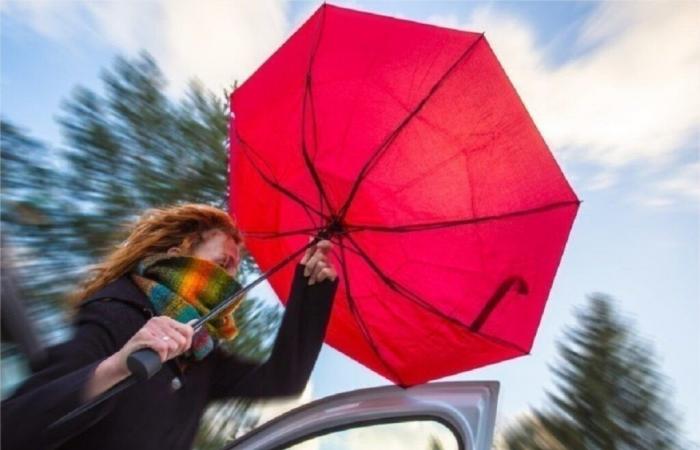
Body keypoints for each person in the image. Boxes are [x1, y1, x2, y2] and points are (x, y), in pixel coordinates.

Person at [1, 203, 339, 450]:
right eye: (222, 262)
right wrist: (117, 367)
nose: (230, 279)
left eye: (235, 270)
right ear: (180, 253)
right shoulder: (116, 313)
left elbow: (282, 380)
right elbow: (14, 427)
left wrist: (311, 292)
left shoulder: (203, 356)